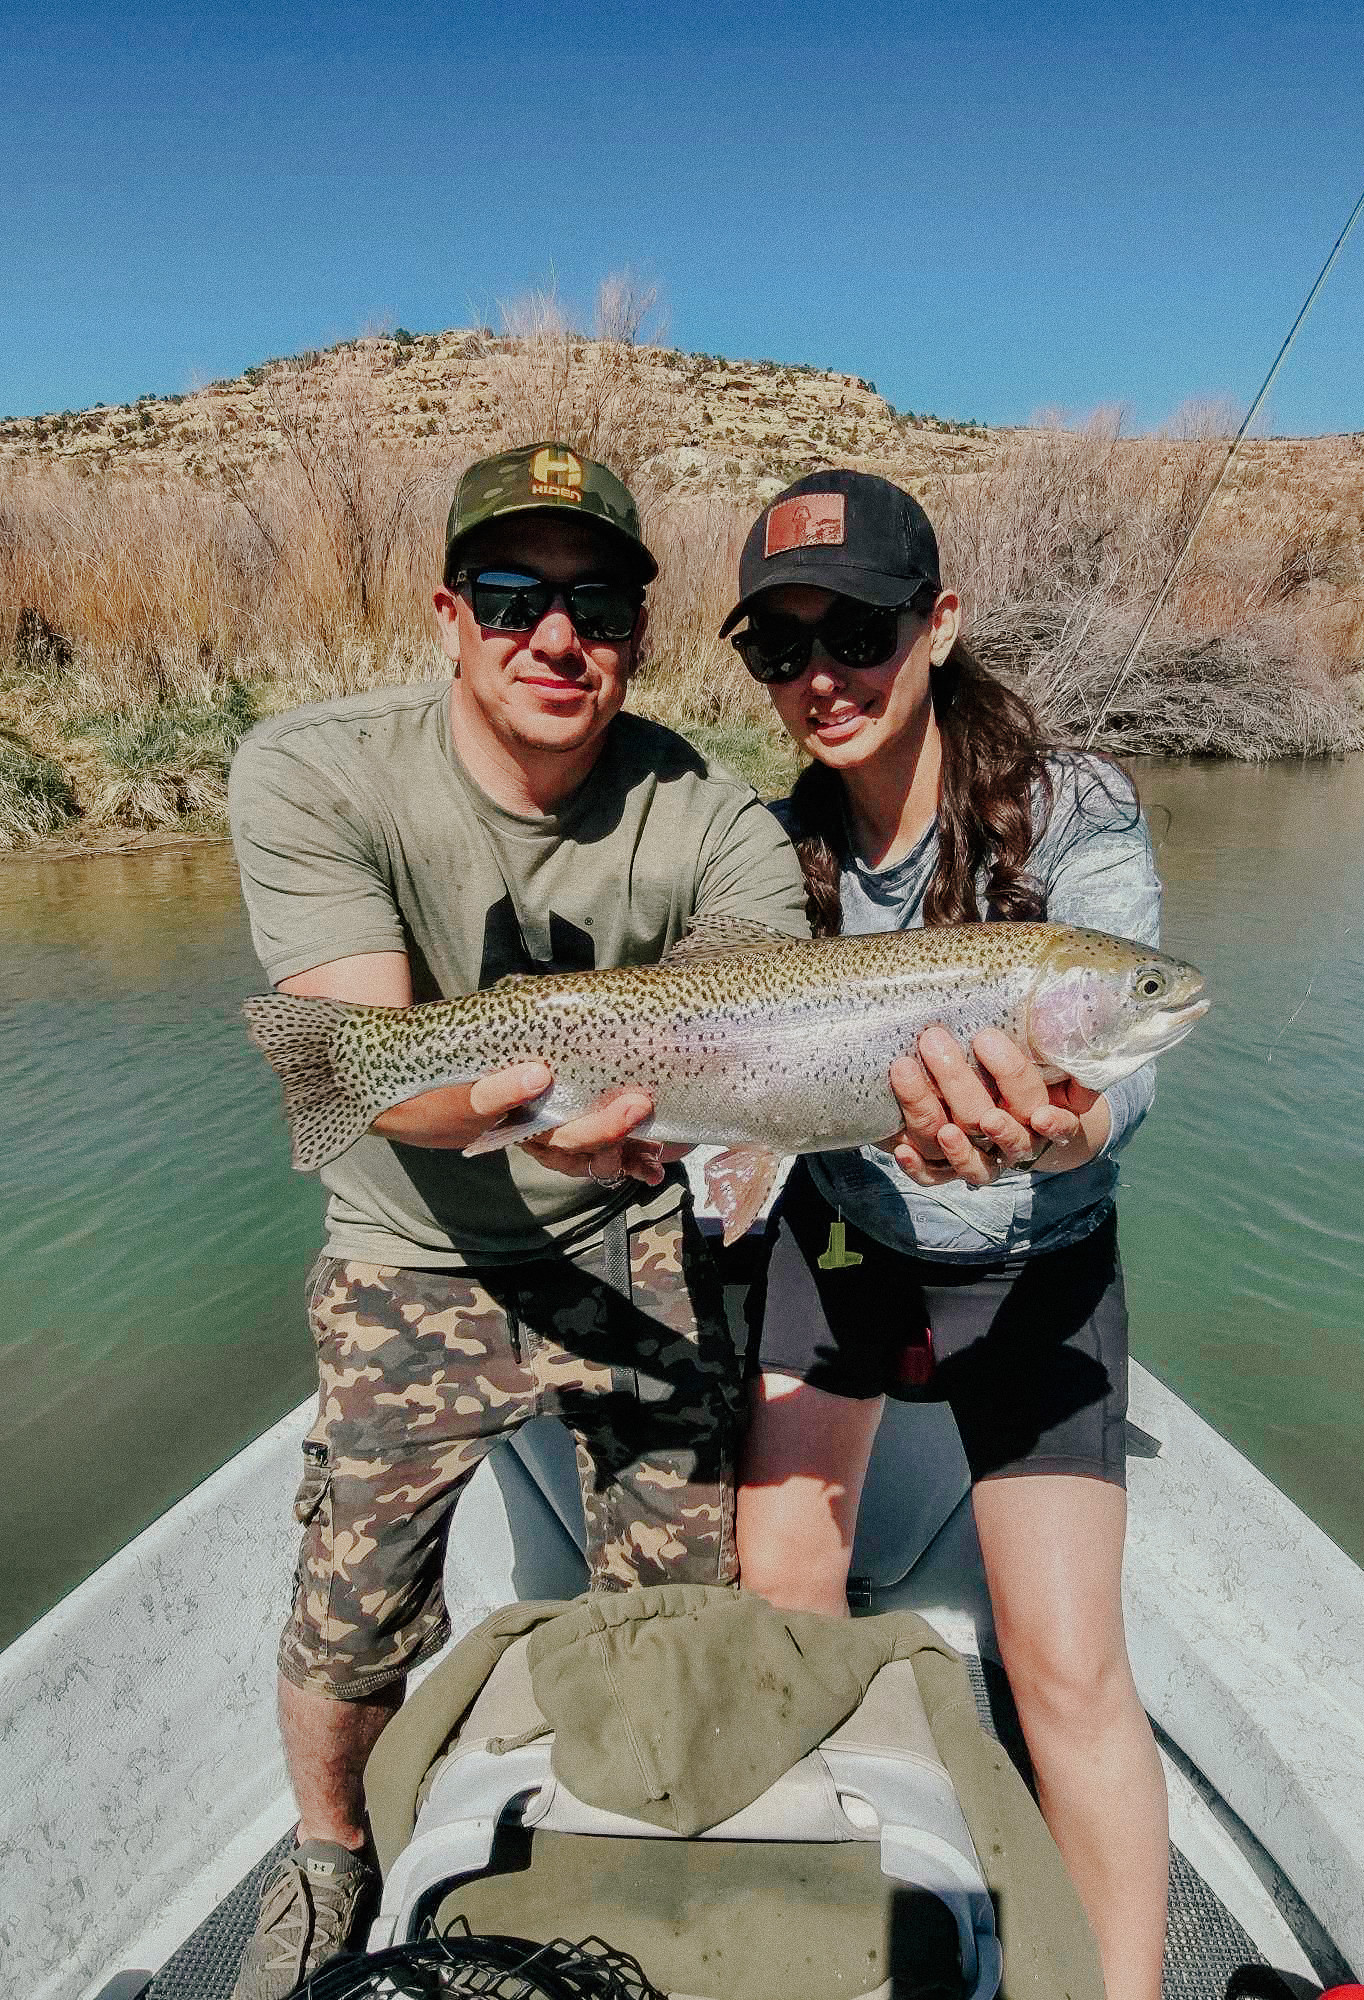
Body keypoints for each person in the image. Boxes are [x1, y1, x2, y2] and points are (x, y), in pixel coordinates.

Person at [226, 442, 809, 2000]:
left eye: (598, 606)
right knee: (354, 1611)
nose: (556, 637)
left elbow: (753, 1021)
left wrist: (681, 1118)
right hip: (412, 1247)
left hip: (635, 1231)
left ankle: (640, 1820)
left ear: (637, 632)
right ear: (447, 615)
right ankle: (329, 1854)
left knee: (681, 1593)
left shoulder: (717, 818)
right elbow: (366, 1066)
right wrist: (527, 1105)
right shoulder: (312, 771)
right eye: (510, 597)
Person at [727, 470, 1170, 2000]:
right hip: (846, 1242)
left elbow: (1130, 1060)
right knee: (783, 1593)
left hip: (1039, 1270)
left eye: (857, 631)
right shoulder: (766, 847)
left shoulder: (1077, 809)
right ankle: (830, 1930)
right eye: (779, 647)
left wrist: (1059, 1130)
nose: (823, 676)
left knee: (1064, 1670)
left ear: (940, 623)